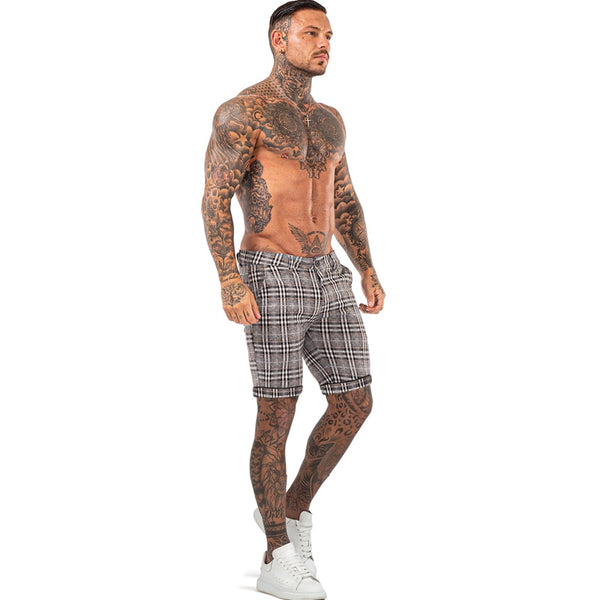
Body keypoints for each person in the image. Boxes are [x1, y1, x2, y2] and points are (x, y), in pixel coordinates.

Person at [201, 1, 385, 597]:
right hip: (270, 270)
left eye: (329, 34)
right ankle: (276, 556)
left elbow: (345, 198)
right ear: (279, 40)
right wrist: (229, 279)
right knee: (276, 413)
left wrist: (367, 267)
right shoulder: (242, 111)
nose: (324, 43)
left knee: (355, 400)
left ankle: (289, 508)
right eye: (311, 33)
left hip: (328, 272)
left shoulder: (331, 120)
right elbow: (215, 197)